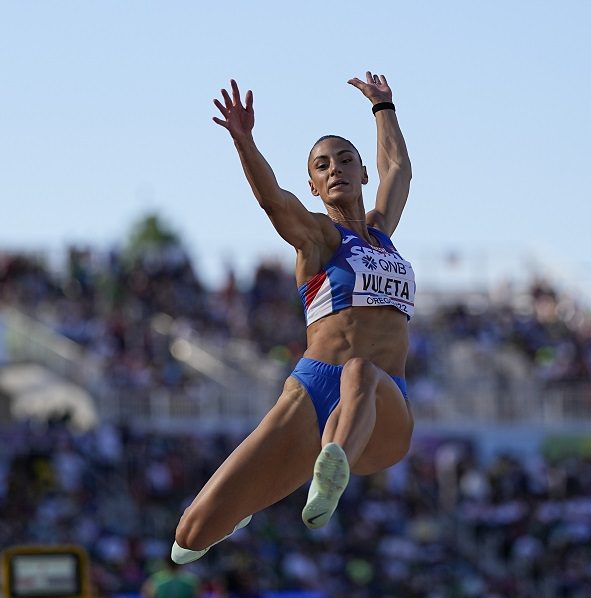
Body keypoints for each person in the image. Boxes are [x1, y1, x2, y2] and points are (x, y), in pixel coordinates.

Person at [172, 72, 414, 563]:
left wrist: (383, 108)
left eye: (345, 160)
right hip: (313, 388)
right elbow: (274, 202)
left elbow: (397, 168)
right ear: (314, 186)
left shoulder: (381, 232)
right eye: (323, 166)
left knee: (361, 370)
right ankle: (256, 499)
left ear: (362, 174)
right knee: (190, 535)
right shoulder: (318, 238)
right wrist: (244, 142)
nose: (335, 169)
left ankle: (332, 467)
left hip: (380, 399)